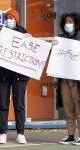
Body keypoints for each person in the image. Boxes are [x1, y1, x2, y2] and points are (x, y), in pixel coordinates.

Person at [0, 9, 30, 144]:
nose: (9, 20)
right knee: (3, 104)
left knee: (19, 104)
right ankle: (3, 133)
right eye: (7, 18)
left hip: (19, 76)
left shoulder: (24, 33)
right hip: (3, 75)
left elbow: (30, 52)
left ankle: (20, 133)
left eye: (11, 18)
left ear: (16, 20)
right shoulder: (0, 33)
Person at [56, 12, 80, 145]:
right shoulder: (60, 38)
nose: (68, 24)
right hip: (64, 79)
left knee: (79, 108)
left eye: (70, 21)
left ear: (76, 24)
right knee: (68, 108)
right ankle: (71, 135)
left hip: (77, 80)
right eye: (66, 22)